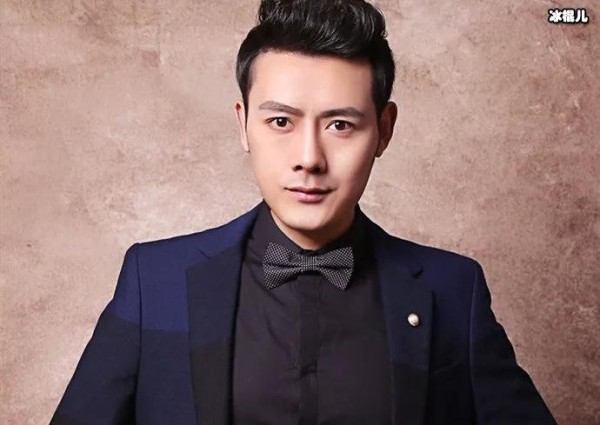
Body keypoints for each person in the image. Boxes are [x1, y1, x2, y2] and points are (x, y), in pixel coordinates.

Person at [51, 0, 557, 424]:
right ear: (243, 125)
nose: (309, 158)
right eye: (280, 122)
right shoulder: (154, 281)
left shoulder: (454, 290)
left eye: (340, 125)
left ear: (384, 130)